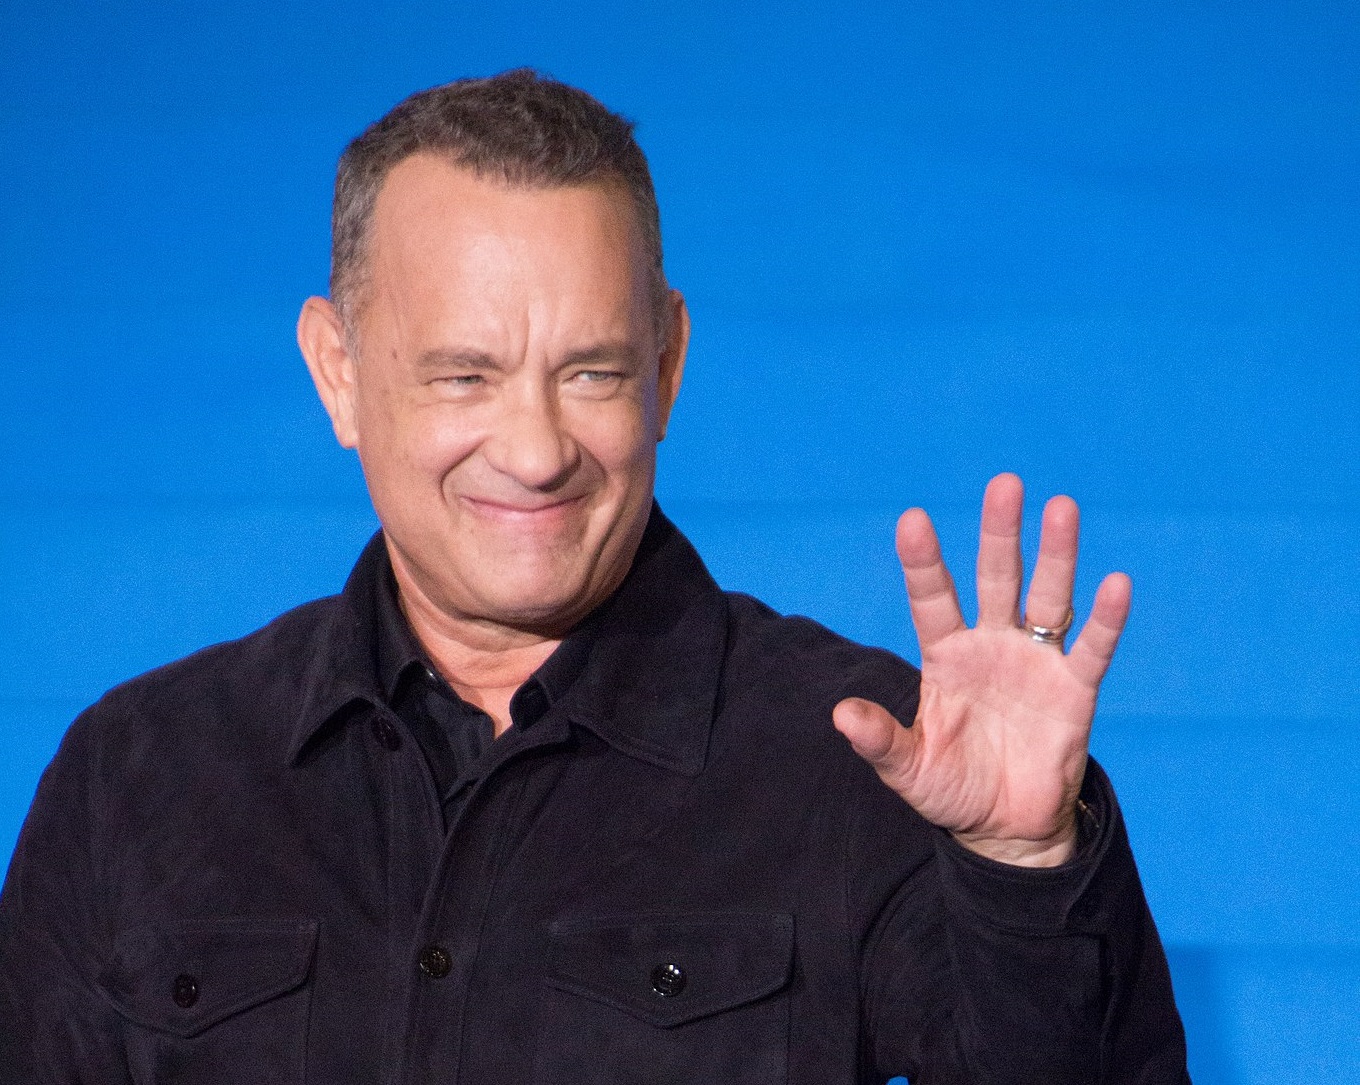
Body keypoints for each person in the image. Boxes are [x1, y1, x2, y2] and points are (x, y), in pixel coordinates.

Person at [0, 70, 1189, 1083]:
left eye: (592, 372)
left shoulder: (874, 761)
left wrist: (1023, 870)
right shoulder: (134, 775)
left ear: (668, 364)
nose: (535, 449)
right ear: (337, 371)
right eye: (464, 375)